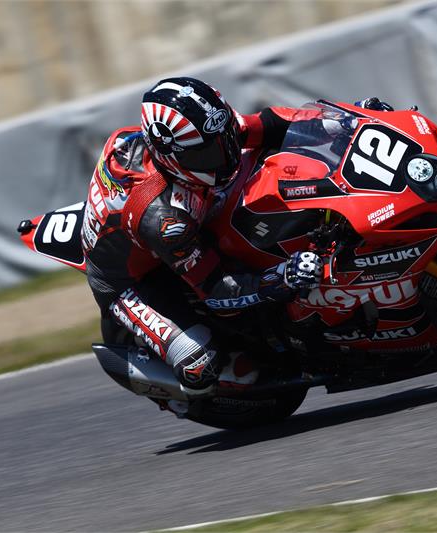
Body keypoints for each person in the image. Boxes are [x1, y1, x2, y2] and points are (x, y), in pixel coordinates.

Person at [81, 76, 391, 400]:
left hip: (168, 226)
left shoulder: (209, 134)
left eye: (226, 138)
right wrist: (282, 277)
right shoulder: (165, 219)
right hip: (129, 280)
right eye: (207, 155)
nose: (226, 155)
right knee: (198, 365)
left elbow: (270, 124)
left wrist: (346, 121)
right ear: (173, 159)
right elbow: (216, 291)